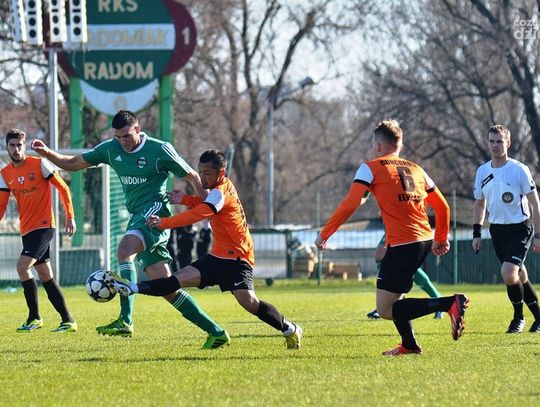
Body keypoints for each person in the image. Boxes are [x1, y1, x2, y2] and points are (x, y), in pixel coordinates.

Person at [32, 110, 229, 349]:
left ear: (137, 129)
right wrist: (47, 152)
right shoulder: (110, 149)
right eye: (118, 137)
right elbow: (73, 163)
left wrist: (206, 206)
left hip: (155, 211)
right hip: (138, 215)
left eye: (126, 135)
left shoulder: (160, 149)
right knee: (167, 288)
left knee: (124, 250)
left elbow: (192, 176)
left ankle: (125, 320)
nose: (122, 141)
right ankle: (216, 332)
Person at [110, 149, 303, 349]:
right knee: (175, 281)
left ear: (221, 173)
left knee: (250, 303)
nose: (202, 177)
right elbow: (206, 203)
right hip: (216, 259)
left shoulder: (221, 191)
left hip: (237, 260)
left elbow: (201, 213)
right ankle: (133, 288)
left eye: (207, 173)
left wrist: (165, 222)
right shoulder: (217, 190)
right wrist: (185, 199)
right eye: (200, 172)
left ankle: (290, 329)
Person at [315, 119, 469, 356]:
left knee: (385, 309)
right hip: (423, 239)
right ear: (400, 146)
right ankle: (409, 344)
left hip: (403, 243)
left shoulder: (370, 168)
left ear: (377, 146)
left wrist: (325, 234)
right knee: (397, 297)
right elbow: (443, 207)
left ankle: (448, 303)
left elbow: (350, 204)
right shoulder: (417, 169)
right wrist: (440, 237)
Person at [0, 129, 77, 333]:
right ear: (6, 147)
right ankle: (68, 320)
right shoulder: (5, 174)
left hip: (44, 226)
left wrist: (70, 216)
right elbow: (1, 205)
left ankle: (34, 317)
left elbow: (63, 188)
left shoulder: (39, 164)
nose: (16, 149)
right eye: (12, 145)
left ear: (24, 146)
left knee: (22, 267)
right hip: (26, 229)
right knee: (45, 274)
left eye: (19, 145)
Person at [472, 124, 540, 334]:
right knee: (519, 275)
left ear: (508, 143)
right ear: (487, 143)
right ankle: (539, 318)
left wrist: (538, 235)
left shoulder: (519, 169)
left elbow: (535, 204)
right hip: (497, 231)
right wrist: (477, 233)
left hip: (520, 229)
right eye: (492, 141)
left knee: (508, 273)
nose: (495, 145)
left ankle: (518, 318)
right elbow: (479, 204)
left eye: (499, 141)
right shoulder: (483, 171)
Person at [367, 233, 444, 320]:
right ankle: (388, 306)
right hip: (406, 238)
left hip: (411, 237)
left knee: (408, 272)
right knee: (403, 277)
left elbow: (379, 255)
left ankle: (440, 302)